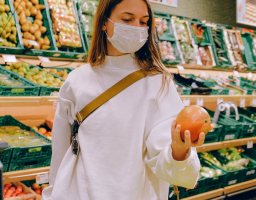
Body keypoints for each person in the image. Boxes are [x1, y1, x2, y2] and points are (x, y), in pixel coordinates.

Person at [42, 0, 211, 199]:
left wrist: (179, 152)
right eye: (127, 19)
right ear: (104, 22)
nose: (136, 28)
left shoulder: (158, 84)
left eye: (143, 22)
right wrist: (53, 192)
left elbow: (165, 160)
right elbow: (61, 151)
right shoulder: (77, 81)